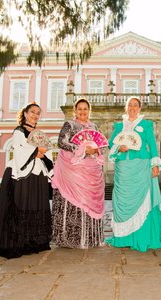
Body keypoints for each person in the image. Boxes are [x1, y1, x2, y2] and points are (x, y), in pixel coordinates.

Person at [0, 103, 53, 259]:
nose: (35, 115)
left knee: (35, 206)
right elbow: (19, 148)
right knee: (22, 205)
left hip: (38, 174)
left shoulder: (38, 133)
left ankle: (34, 241)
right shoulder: (19, 131)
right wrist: (37, 151)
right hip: (22, 174)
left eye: (38, 113)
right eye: (32, 112)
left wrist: (43, 153)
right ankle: (19, 243)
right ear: (25, 113)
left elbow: (46, 153)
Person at [106, 96, 161, 252]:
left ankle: (142, 237)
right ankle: (123, 237)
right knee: (121, 201)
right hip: (123, 168)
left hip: (142, 167)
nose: (132, 107)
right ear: (126, 108)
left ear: (140, 108)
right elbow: (111, 144)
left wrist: (155, 165)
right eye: (129, 105)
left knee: (143, 201)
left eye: (135, 105)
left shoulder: (146, 125)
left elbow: (152, 145)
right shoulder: (119, 126)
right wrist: (119, 147)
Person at [51, 98, 105, 248]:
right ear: (75, 111)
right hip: (72, 170)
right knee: (74, 202)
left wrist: (96, 150)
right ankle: (72, 238)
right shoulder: (70, 124)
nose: (82, 111)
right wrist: (81, 149)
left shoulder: (94, 126)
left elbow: (101, 144)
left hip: (91, 171)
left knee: (89, 203)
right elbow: (62, 142)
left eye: (85, 109)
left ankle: (89, 238)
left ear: (89, 111)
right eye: (79, 109)